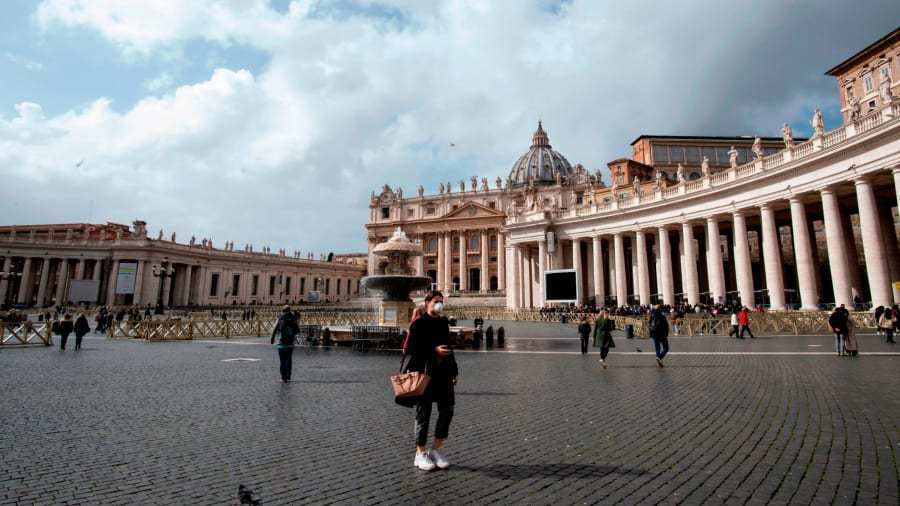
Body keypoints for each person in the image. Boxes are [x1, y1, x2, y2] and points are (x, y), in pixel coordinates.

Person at [405, 290, 458, 472]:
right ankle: (420, 453)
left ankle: (435, 449)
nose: (439, 304)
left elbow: (448, 346)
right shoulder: (418, 324)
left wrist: (454, 370)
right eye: (436, 301)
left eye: (441, 301)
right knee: (423, 413)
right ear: (427, 303)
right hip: (424, 373)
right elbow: (412, 349)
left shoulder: (443, 322)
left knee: (447, 410)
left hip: (443, 372)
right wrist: (434, 350)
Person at [270, 305, 300, 383]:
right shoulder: (293, 318)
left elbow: (275, 328)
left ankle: (283, 378)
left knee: (282, 361)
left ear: (283, 310)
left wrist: (272, 338)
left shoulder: (281, 317)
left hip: (282, 343)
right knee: (289, 359)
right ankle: (288, 376)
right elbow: (297, 330)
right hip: (290, 343)